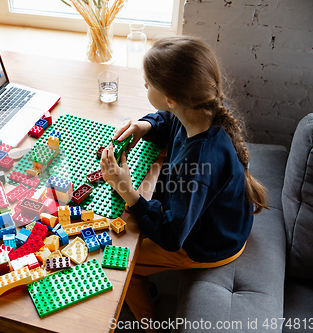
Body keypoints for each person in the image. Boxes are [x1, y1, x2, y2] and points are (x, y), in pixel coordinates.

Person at [99, 36, 268, 325]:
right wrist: (145, 125)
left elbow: (172, 235)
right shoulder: (199, 111)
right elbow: (169, 120)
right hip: (214, 220)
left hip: (210, 243)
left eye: (148, 83)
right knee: (132, 223)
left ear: (171, 98)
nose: (144, 86)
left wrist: (124, 188)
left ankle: (152, 326)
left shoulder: (199, 162)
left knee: (121, 262)